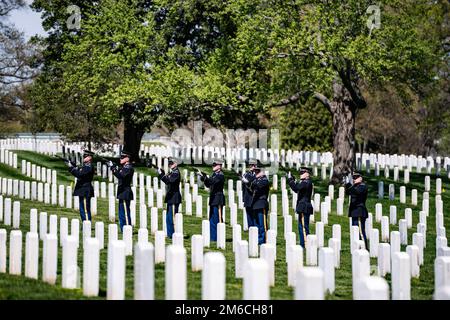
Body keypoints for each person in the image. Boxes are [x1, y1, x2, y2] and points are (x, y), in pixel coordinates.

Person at [198, 159, 225, 242]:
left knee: (218, 219)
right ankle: (213, 237)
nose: (213, 166)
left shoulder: (220, 175)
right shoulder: (214, 174)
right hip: (213, 198)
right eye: (213, 165)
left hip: (218, 199)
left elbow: (212, 182)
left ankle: (219, 237)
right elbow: (208, 184)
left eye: (215, 165)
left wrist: (204, 177)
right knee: (212, 219)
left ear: (219, 166)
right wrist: (203, 177)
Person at [107, 150, 134, 232]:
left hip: (125, 192)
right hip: (122, 192)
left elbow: (120, 175)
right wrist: (114, 167)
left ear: (128, 158)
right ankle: (123, 229)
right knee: (121, 213)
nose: (120, 159)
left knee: (125, 212)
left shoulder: (128, 167)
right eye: (120, 157)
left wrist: (113, 168)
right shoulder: (124, 167)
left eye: (123, 157)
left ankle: (128, 229)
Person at [287, 167, 313, 248]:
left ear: (307, 174)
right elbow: (297, 189)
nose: (300, 174)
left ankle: (305, 244)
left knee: (303, 227)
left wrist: (291, 180)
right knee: (302, 226)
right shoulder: (305, 182)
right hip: (303, 206)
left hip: (304, 207)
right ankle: (304, 243)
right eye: (300, 173)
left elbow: (296, 188)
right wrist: (293, 181)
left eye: (302, 173)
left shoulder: (306, 182)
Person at [243, 164, 270, 244]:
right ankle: (257, 239)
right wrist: (247, 183)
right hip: (255, 204)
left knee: (262, 224)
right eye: (255, 171)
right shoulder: (256, 180)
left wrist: (249, 182)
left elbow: (258, 186)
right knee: (256, 224)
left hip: (261, 203)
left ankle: (264, 239)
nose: (256, 172)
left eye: (258, 171)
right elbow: (252, 188)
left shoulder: (264, 180)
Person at [157, 157, 182, 239]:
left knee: (172, 218)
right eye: (169, 163)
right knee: (168, 217)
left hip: (174, 198)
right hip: (171, 197)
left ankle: (172, 234)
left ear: (176, 164)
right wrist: (162, 173)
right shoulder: (172, 172)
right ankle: (170, 234)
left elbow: (168, 181)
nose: (170, 165)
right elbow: (167, 178)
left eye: (172, 163)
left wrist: (161, 175)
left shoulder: (176, 173)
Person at [67, 149, 95, 222]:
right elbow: (79, 170)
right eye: (84, 156)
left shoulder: (89, 166)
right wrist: (73, 166)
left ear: (90, 158)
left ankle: (86, 224)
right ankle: (85, 223)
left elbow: (80, 174)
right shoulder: (85, 166)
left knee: (85, 208)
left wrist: (71, 168)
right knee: (82, 208)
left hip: (85, 189)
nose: (84, 157)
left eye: (85, 156)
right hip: (82, 189)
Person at [345, 172, 369, 249]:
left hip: (359, 211)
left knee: (361, 231)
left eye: (356, 177)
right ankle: (358, 247)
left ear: (361, 178)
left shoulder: (363, 186)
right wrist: (347, 184)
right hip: (353, 211)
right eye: (353, 178)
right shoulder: (354, 186)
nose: (354, 179)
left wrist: (349, 185)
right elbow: (348, 192)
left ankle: (365, 248)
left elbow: (357, 192)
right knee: (355, 230)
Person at [242, 158, 257, 229]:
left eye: (253, 165)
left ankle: (255, 228)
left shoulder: (257, 175)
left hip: (254, 198)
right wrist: (243, 198)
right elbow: (243, 188)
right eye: (250, 165)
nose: (251, 166)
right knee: (249, 215)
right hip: (248, 197)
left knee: (254, 215)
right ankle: (250, 229)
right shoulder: (246, 174)